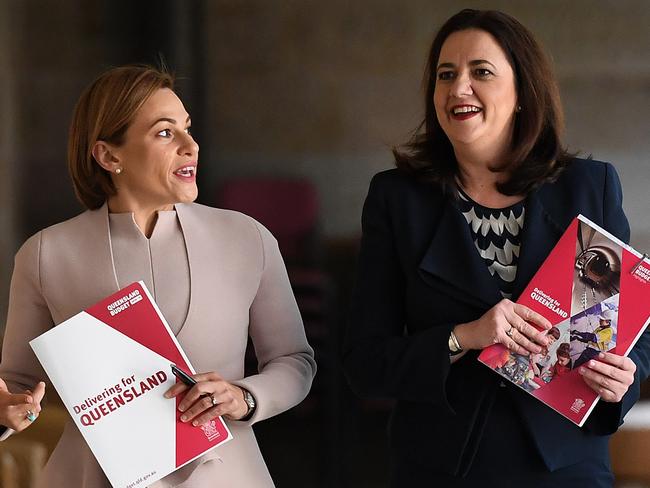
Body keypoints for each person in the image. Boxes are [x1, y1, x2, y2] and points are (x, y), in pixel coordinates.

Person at [343, 8, 649, 487]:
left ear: (523, 93)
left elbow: (635, 327)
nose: (458, 88)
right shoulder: (395, 198)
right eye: (446, 75)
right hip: (441, 467)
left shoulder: (590, 188)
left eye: (480, 72)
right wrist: (465, 336)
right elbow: (365, 363)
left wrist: (624, 380)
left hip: (565, 465)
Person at [0, 65, 316, 487]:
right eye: (166, 133)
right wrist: (8, 409)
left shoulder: (247, 238)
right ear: (109, 156)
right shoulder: (44, 254)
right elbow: (17, 384)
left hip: (226, 475)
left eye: (188, 128)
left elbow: (295, 361)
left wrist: (244, 398)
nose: (191, 145)